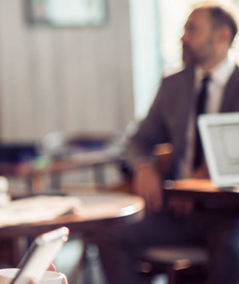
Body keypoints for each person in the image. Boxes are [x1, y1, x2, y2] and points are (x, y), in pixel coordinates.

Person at [97, 3, 239, 283]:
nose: (183, 37)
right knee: (110, 236)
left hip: (230, 213)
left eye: (192, 30)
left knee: (231, 251)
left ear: (222, 36)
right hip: (178, 210)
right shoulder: (174, 84)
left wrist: (200, 183)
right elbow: (139, 139)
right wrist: (143, 167)